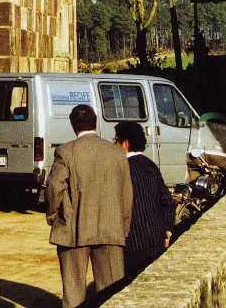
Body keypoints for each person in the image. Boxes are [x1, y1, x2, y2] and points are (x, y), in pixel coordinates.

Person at [45, 104, 131, 308]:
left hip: (74, 230)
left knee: (73, 293)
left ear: (73, 125)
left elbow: (54, 186)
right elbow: (126, 195)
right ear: (96, 122)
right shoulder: (117, 153)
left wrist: (52, 214)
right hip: (111, 229)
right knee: (112, 293)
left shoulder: (65, 152)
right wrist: (123, 228)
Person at [114, 121, 174, 278]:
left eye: (116, 141)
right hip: (156, 238)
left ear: (125, 143)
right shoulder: (151, 165)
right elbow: (167, 201)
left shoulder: (121, 169)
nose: (114, 145)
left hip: (132, 243)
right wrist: (167, 229)